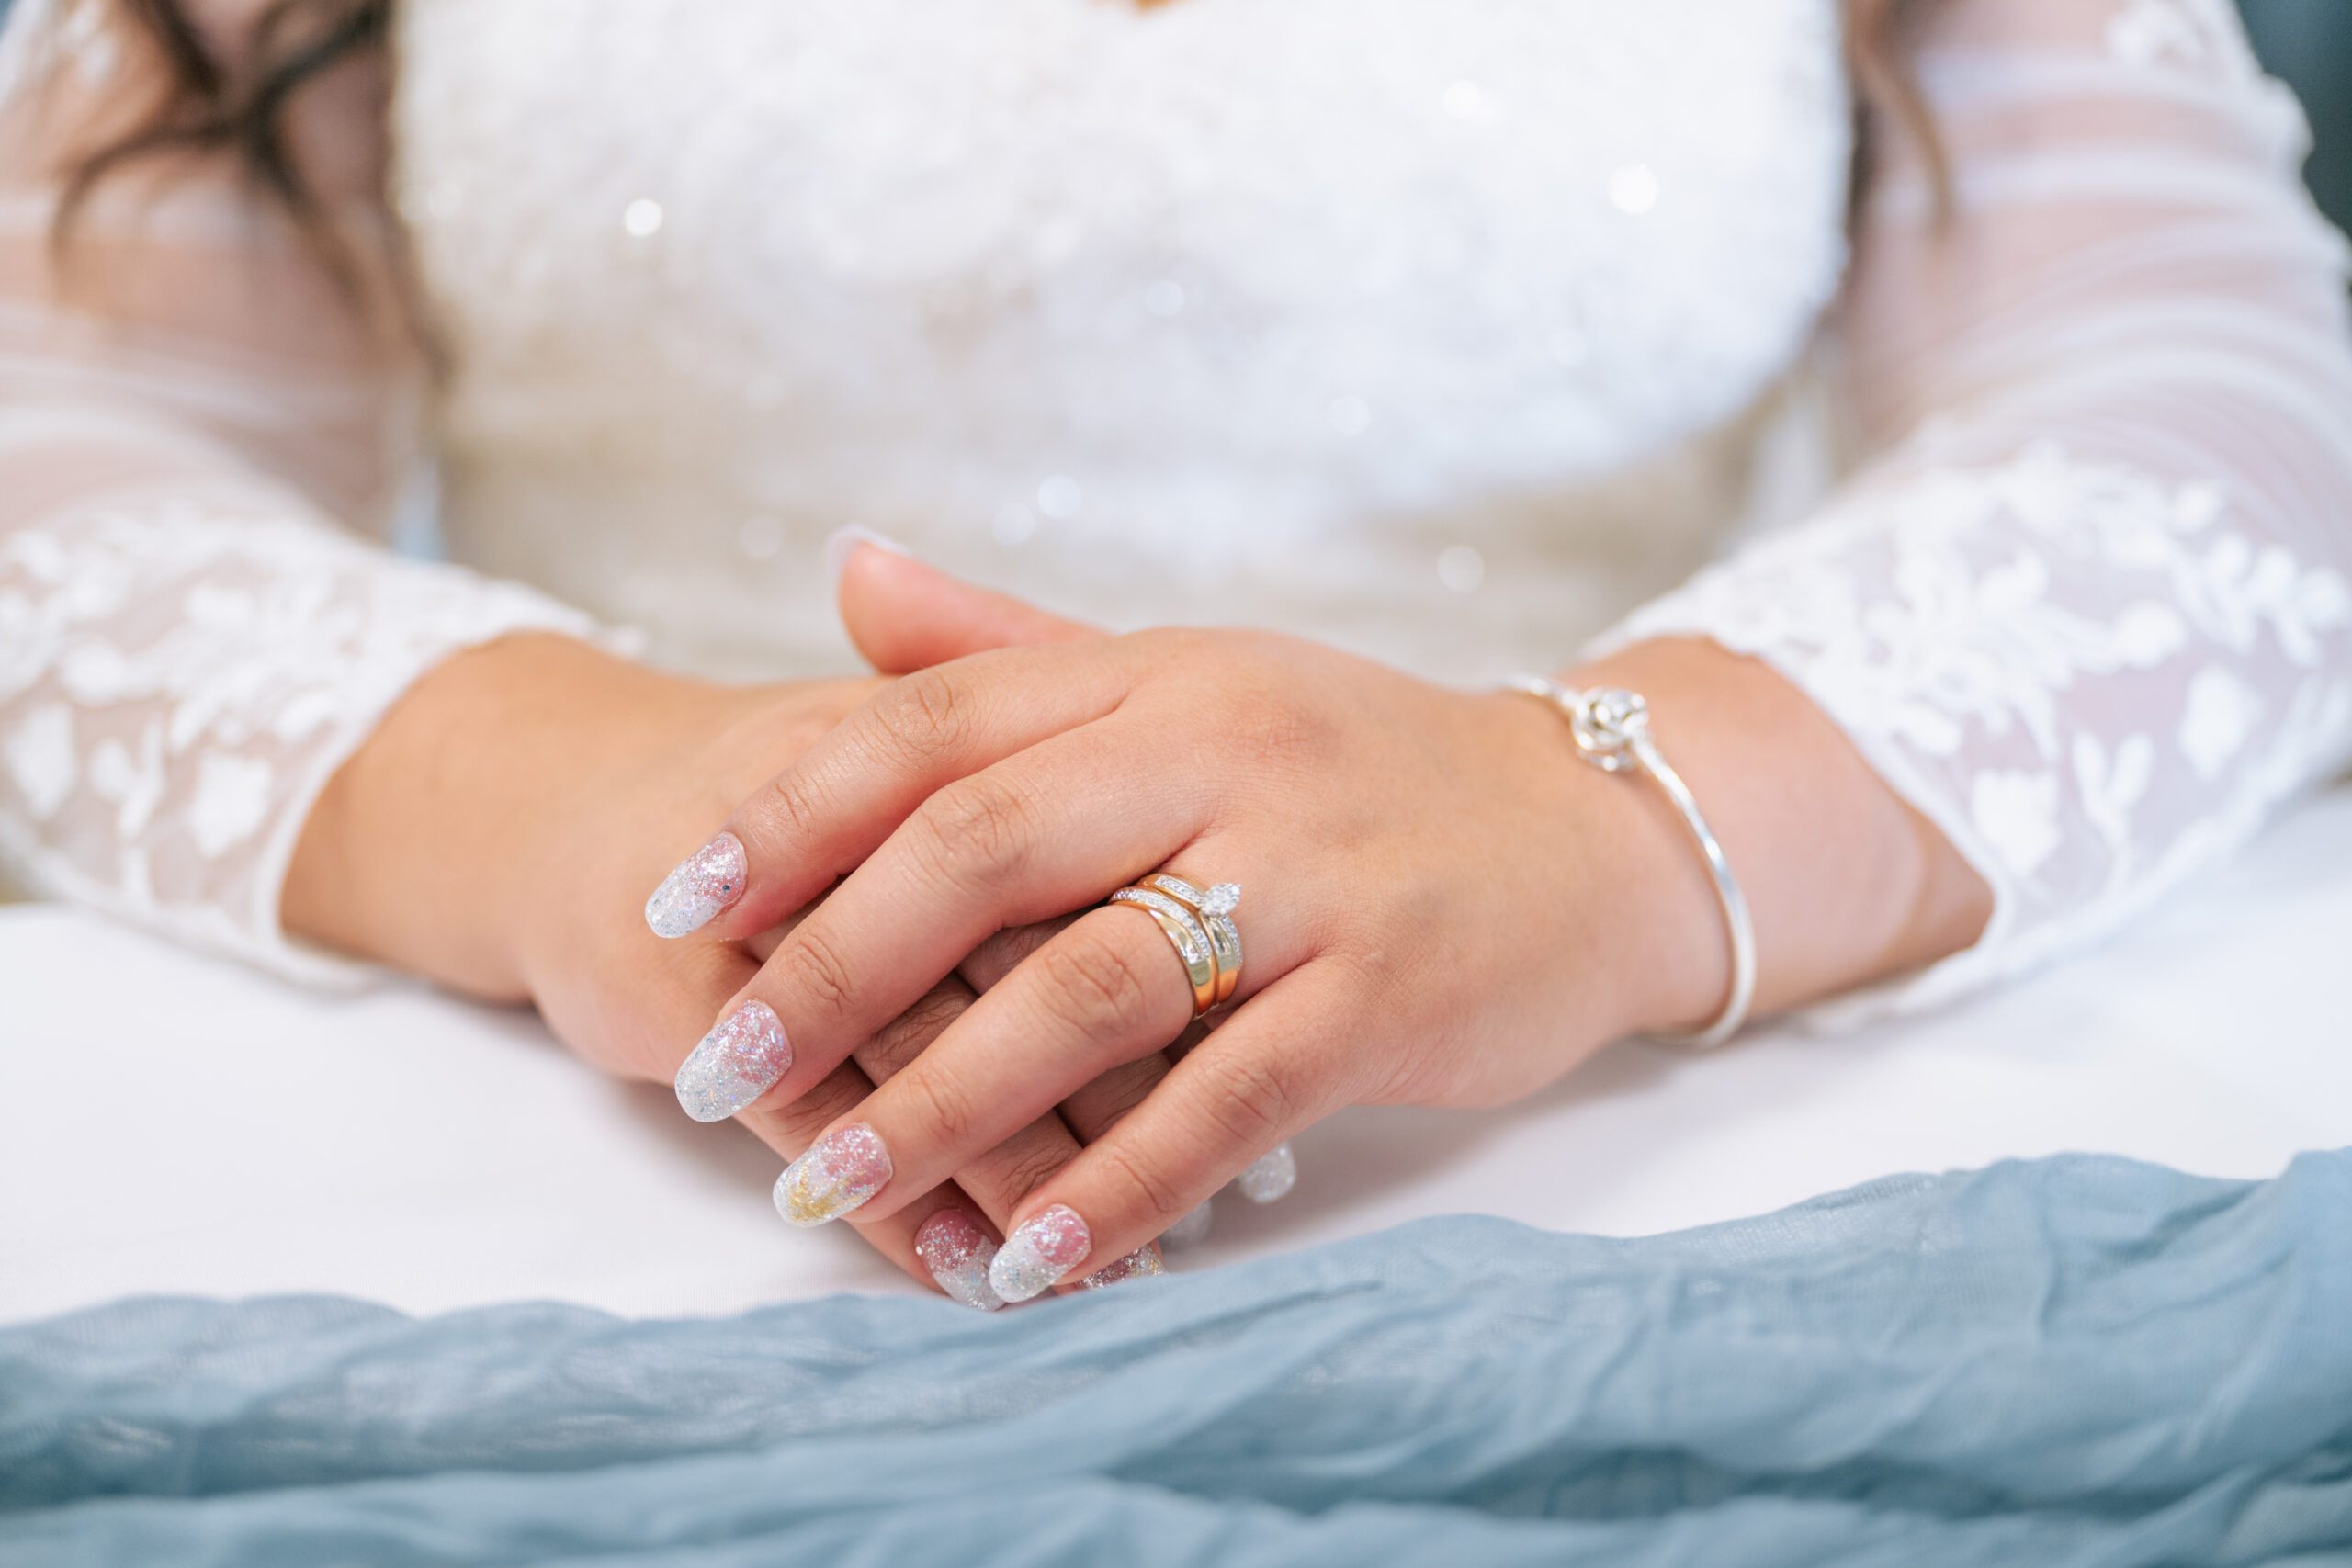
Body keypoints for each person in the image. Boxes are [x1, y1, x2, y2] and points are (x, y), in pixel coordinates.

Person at [1, 0, 2346, 1308]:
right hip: (606, 1086)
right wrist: (595, 799)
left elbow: (2196, 402)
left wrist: (1596, 813)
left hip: (1619, 1099)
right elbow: (79, 435)